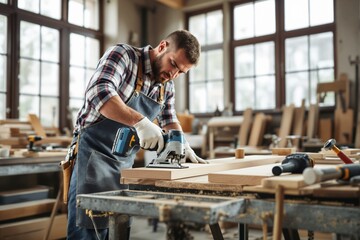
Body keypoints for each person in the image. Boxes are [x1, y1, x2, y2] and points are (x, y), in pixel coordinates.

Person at [65, 29, 207, 239]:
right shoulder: (123, 56)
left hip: (123, 166)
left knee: (118, 231)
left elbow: (169, 119)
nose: (173, 74)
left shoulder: (166, 85)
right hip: (92, 159)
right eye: (174, 64)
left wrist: (180, 143)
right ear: (162, 47)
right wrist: (139, 122)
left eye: (181, 72)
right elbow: (99, 91)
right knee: (89, 230)